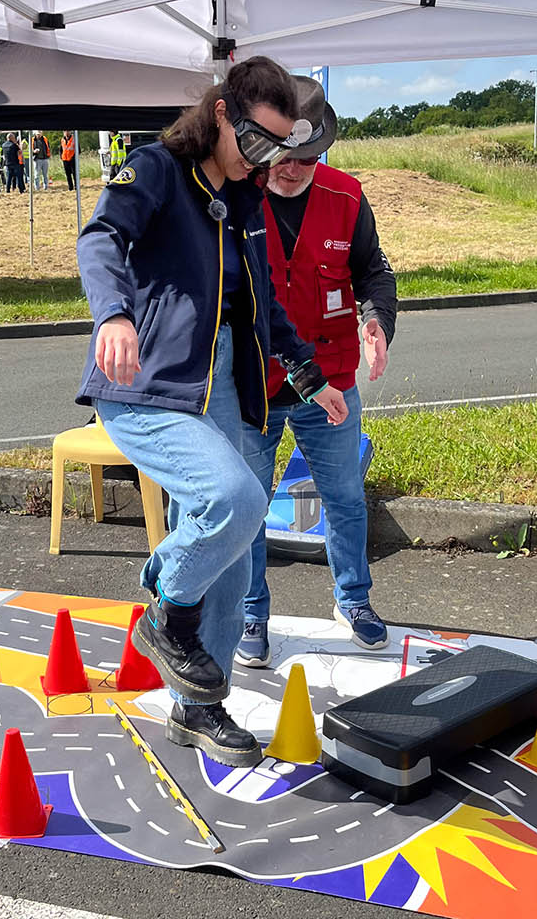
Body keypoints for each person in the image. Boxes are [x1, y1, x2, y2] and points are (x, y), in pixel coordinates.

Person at [77, 56, 347, 767]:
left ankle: (198, 706)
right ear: (223, 112)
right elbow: (101, 238)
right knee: (231, 497)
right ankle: (163, 605)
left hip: (226, 383)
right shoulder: (160, 168)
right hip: (145, 382)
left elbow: (263, 307)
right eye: (257, 141)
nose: (265, 160)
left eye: (278, 148)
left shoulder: (246, 201)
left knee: (239, 534)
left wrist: (311, 375)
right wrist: (113, 315)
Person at [236, 77, 397, 667]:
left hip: (329, 381)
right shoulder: (234, 196)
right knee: (247, 504)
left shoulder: (348, 198)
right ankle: (251, 613)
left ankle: (354, 600)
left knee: (345, 497)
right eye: (281, 155)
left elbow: (373, 272)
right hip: (254, 382)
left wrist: (376, 320)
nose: (291, 169)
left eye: (305, 157)